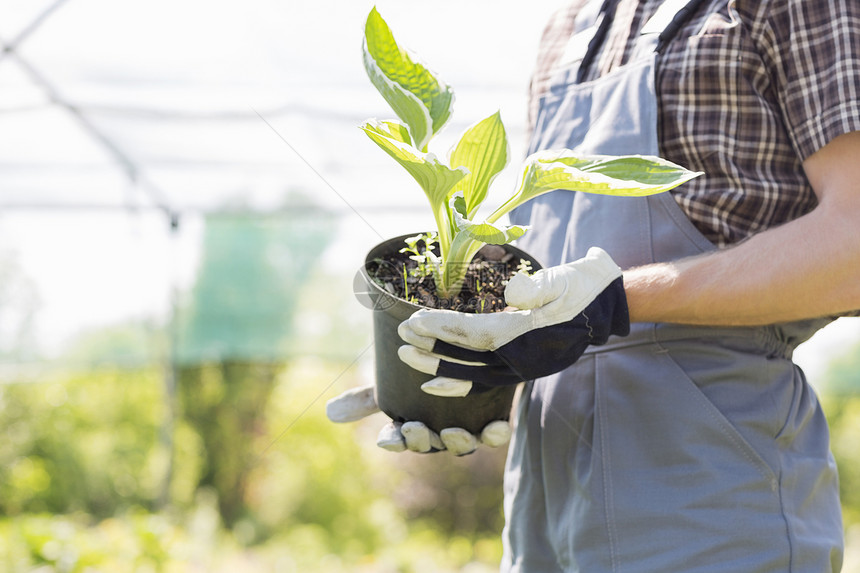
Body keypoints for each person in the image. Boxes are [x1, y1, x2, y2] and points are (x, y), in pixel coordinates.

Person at [329, 0, 859, 570]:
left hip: (711, 499)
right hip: (543, 515)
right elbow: (551, 293)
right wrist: (455, 373)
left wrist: (613, 302)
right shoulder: (568, 27)